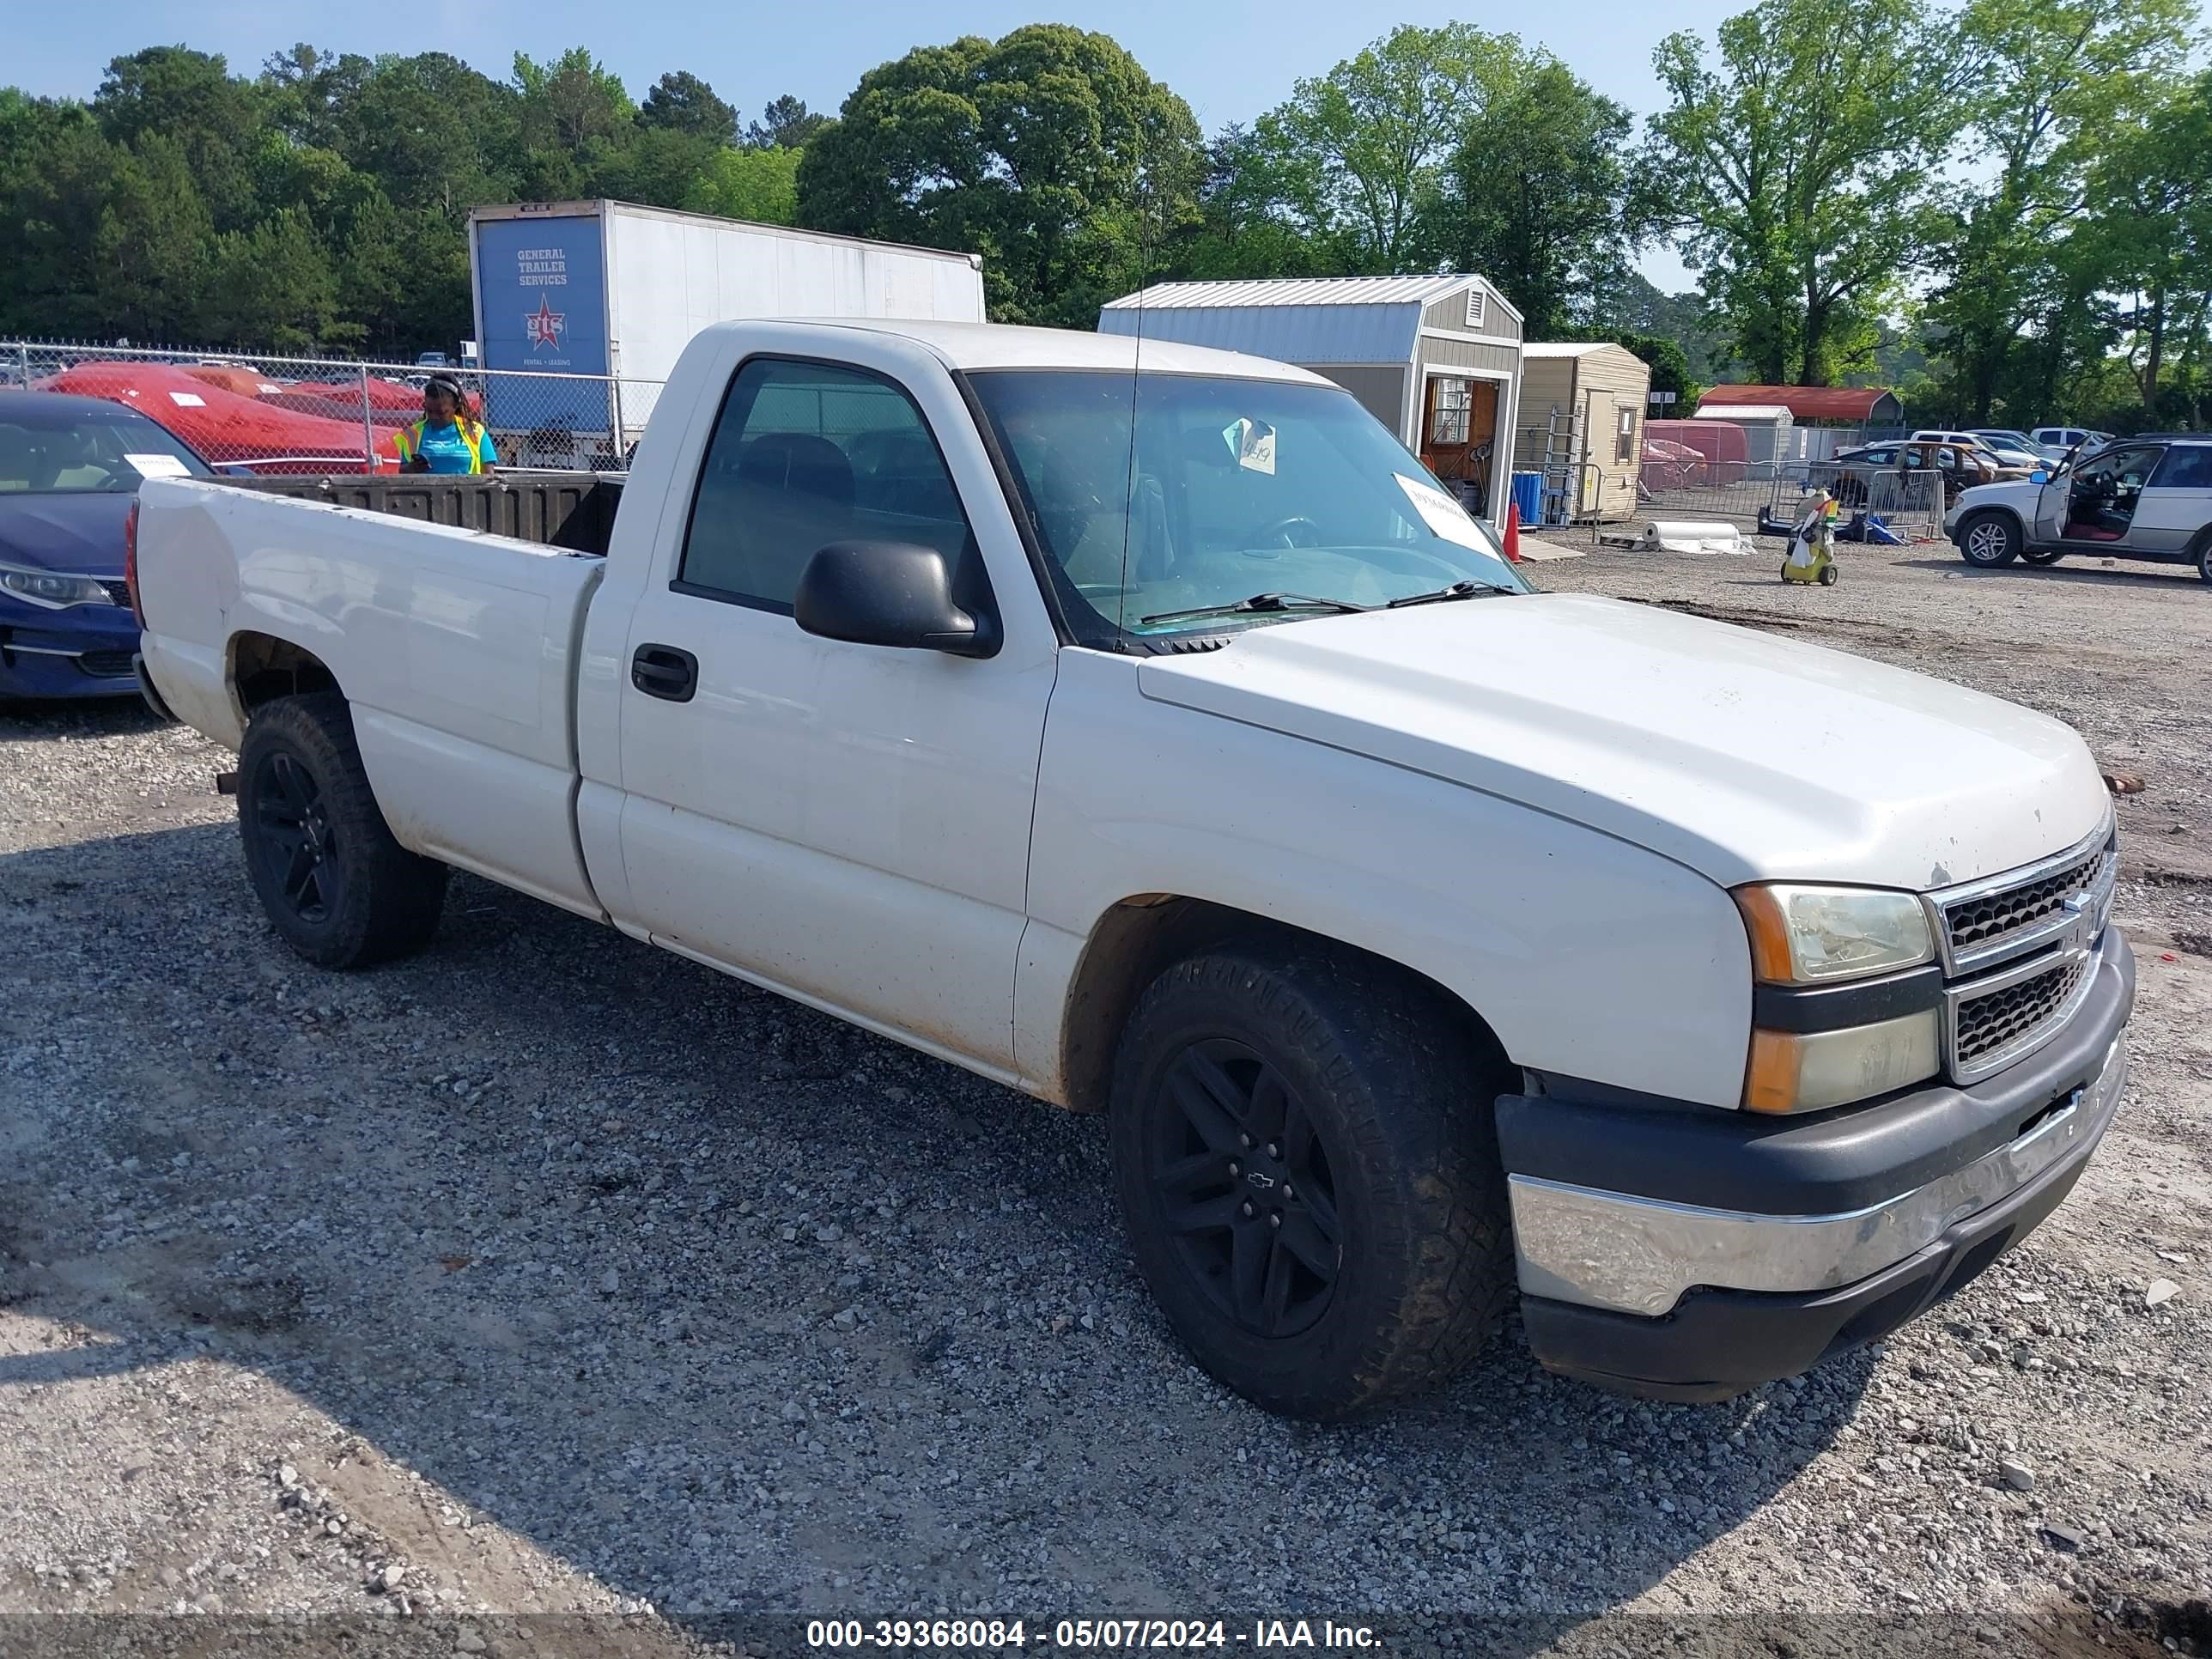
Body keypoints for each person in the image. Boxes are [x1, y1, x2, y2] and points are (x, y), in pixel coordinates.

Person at [395, 376, 495, 475]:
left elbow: (489, 475)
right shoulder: (411, 435)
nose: (434, 417)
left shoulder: (475, 431)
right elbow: (398, 472)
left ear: (456, 406)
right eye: (430, 411)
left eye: (441, 413)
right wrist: (412, 468)